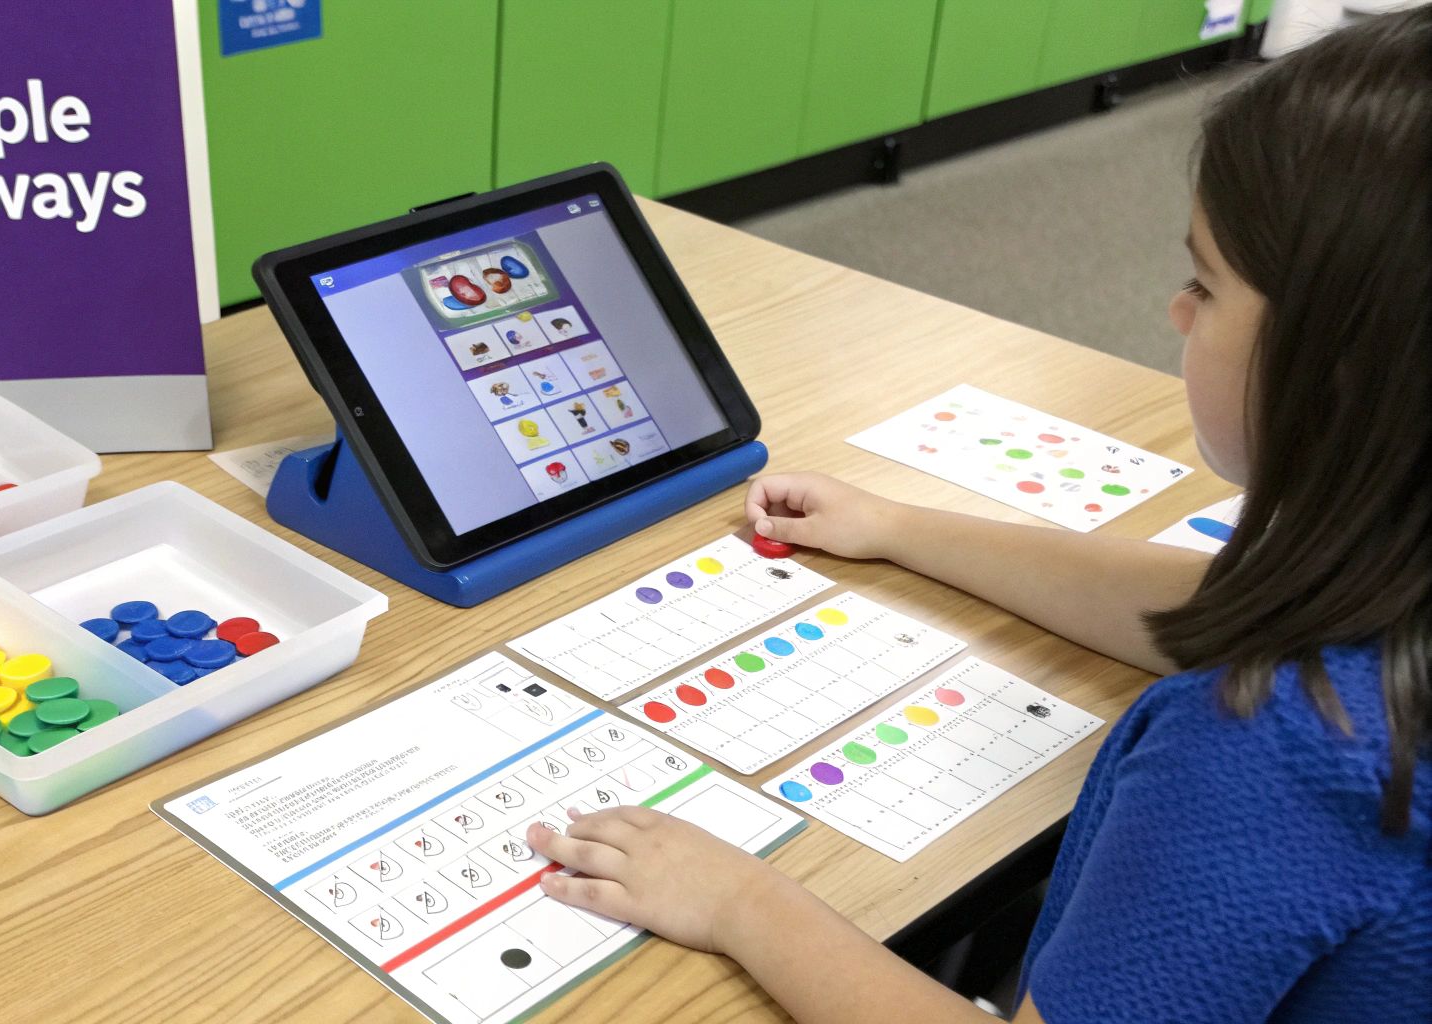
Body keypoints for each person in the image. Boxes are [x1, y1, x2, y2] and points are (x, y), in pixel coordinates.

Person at [525, 9, 1432, 1022]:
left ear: (1341, 374)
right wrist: (899, 526)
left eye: (1203, 285)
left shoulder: (1270, 754)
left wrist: (738, 898)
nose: (1174, 313)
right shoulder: (1388, 588)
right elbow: (1217, 602)